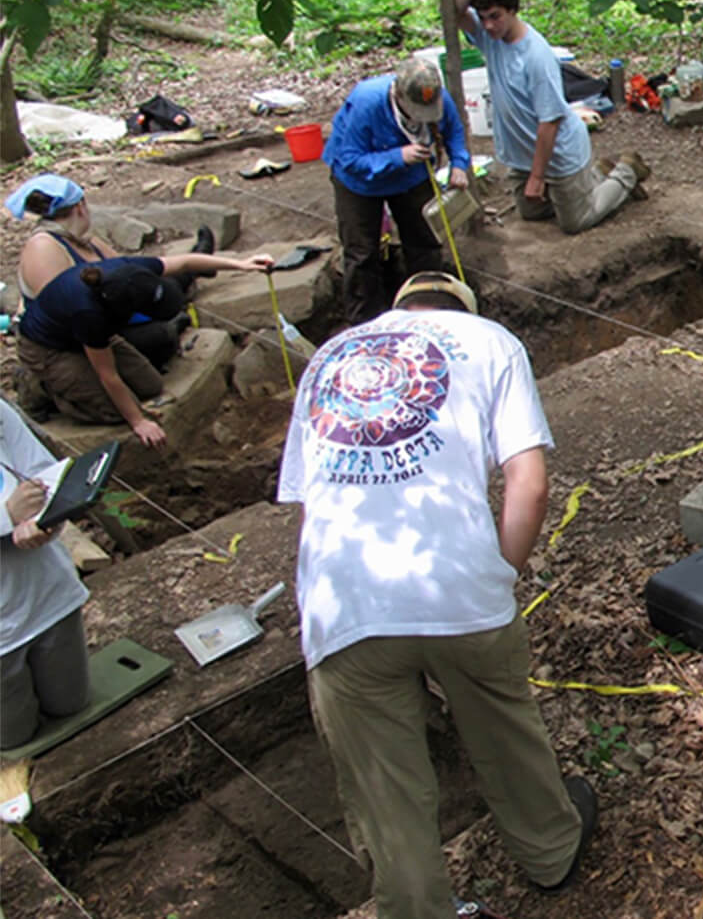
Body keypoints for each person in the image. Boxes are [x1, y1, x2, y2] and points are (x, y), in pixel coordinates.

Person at [279, 271, 596, 919]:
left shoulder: (329, 358)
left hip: (343, 607)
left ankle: (420, 908)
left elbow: (315, 506)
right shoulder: (490, 341)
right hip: (455, 585)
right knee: (504, 725)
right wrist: (496, 574)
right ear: (464, 309)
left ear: (398, 312)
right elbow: (528, 486)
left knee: (385, 791)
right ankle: (550, 852)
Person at [7, 179, 274, 447]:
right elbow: (107, 374)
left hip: (98, 326)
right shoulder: (71, 288)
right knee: (118, 405)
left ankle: (193, 276)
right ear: (80, 206)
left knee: (150, 385)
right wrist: (138, 421)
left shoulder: (109, 260)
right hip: (60, 343)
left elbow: (174, 264)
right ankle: (41, 387)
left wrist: (241, 265)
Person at [452, 0, 650, 235]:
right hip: (523, 152)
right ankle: (595, 176)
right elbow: (452, 9)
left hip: (558, 153)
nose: (488, 25)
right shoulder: (491, 38)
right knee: (531, 212)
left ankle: (627, 171)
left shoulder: (536, 56)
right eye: (484, 18)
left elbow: (551, 120)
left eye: (496, 16)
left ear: (512, 11)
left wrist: (537, 177)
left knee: (575, 222)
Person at [8, 174, 215, 376]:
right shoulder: (44, 248)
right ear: (80, 206)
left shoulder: (84, 240)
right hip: (79, 339)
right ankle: (181, 306)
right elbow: (67, 319)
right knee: (158, 338)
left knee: (157, 284)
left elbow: (132, 271)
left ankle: (198, 263)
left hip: (108, 316)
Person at [323, 57, 472, 326]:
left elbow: (455, 132)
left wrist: (459, 165)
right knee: (362, 253)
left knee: (425, 242)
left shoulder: (439, 97)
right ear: (399, 94)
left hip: (411, 175)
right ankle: (365, 321)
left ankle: (428, 310)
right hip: (360, 182)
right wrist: (397, 156)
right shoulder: (368, 102)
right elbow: (350, 159)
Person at [0, 398, 91, 750]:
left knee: (72, 706)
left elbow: (44, 475)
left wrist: (46, 520)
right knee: (13, 738)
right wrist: (7, 516)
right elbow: (14, 509)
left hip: (49, 596)